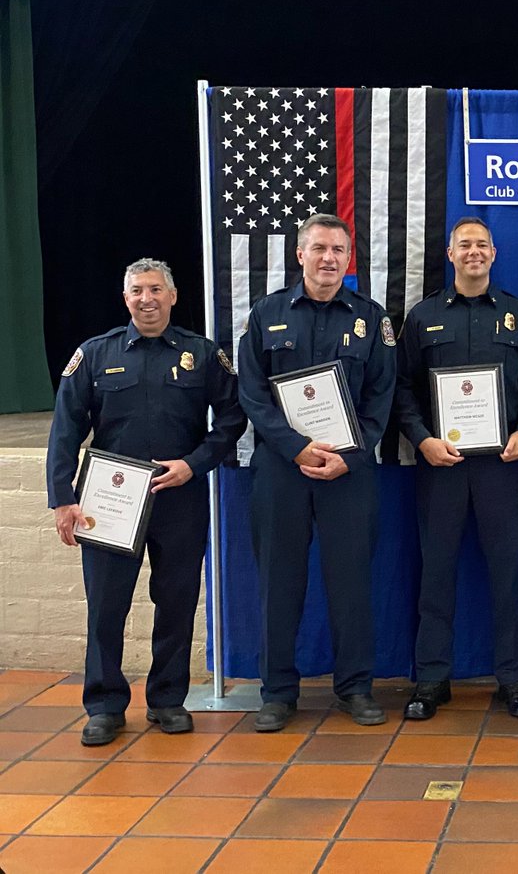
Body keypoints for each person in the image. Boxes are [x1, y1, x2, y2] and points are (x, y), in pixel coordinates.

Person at [47, 258, 245, 746]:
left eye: (156, 289)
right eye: (137, 290)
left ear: (173, 296)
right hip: (109, 500)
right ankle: (104, 704)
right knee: (106, 606)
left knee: (175, 602)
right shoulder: (96, 354)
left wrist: (195, 463)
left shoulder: (200, 355)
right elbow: (65, 429)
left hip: (178, 495)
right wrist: (62, 499)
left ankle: (167, 701)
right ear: (126, 298)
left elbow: (233, 418)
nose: (146, 298)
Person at [237, 214, 397, 732]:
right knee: (278, 582)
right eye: (320, 248)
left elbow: (381, 396)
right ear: (300, 255)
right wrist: (297, 448)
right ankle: (278, 692)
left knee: (351, 582)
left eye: (338, 251)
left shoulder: (372, 320)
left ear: (349, 260)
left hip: (348, 473)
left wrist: (349, 457)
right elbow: (253, 395)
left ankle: (355, 687)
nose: (329, 258)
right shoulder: (265, 315)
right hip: (282, 471)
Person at [395, 217, 518, 720]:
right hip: (441, 467)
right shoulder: (422, 318)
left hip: (501, 467)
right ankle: (431, 679)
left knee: (507, 575)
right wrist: (421, 440)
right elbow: (400, 389)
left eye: (482, 244)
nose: (474, 252)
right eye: (464, 244)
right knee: (436, 573)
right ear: (449, 253)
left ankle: (515, 680)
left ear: (494, 252)